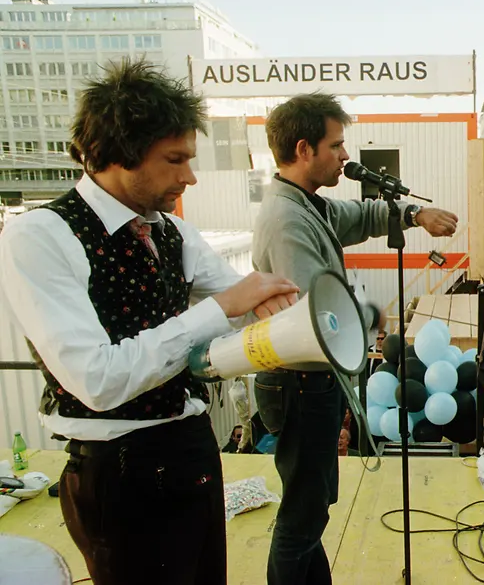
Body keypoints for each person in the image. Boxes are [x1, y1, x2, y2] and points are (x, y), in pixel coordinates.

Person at [0, 59, 300, 585]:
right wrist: (226, 306)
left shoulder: (170, 231)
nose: (190, 176)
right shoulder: (39, 236)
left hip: (190, 450)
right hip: (118, 473)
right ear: (114, 155)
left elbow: (242, 293)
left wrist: (279, 304)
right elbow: (96, 380)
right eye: (174, 159)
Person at [251, 92, 458, 585]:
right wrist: (372, 316)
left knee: (312, 508)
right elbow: (316, 316)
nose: (346, 156)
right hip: (300, 384)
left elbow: (361, 217)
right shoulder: (287, 220)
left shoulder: (308, 205)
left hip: (312, 385)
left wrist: (414, 216)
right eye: (337, 144)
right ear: (304, 149)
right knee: (302, 516)